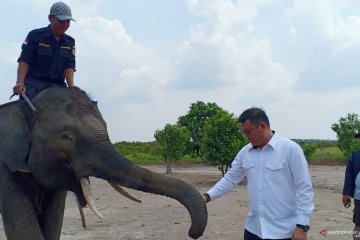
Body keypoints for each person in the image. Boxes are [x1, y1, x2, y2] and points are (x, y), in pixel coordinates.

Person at [203, 107, 314, 240]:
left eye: (248, 132)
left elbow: (305, 189)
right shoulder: (245, 153)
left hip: (284, 232)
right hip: (254, 230)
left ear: (262, 126)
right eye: (244, 133)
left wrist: (302, 226)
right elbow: (230, 179)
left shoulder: (290, 149)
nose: (246, 136)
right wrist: (207, 196)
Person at [12, 1, 76, 100]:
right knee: (27, 111)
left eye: (68, 21)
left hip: (58, 87)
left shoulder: (70, 42)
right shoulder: (35, 35)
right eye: (61, 21)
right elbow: (25, 60)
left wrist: (71, 87)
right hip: (33, 85)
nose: (65, 25)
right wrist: (19, 82)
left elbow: (69, 65)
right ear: (50, 18)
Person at [342, 131, 360, 239]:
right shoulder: (354, 156)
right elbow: (348, 176)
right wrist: (346, 193)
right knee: (358, 224)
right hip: (359, 197)